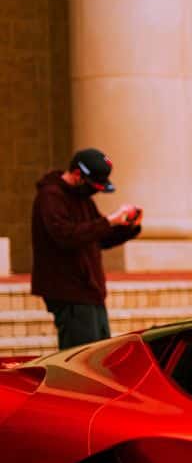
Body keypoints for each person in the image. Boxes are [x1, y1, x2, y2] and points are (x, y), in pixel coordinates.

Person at [32, 148, 142, 349]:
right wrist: (109, 220)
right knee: (80, 358)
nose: (95, 191)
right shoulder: (50, 196)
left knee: (99, 354)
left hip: (91, 291)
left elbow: (98, 237)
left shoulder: (83, 199)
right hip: (69, 290)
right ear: (77, 174)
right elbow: (65, 236)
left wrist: (128, 227)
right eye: (94, 186)